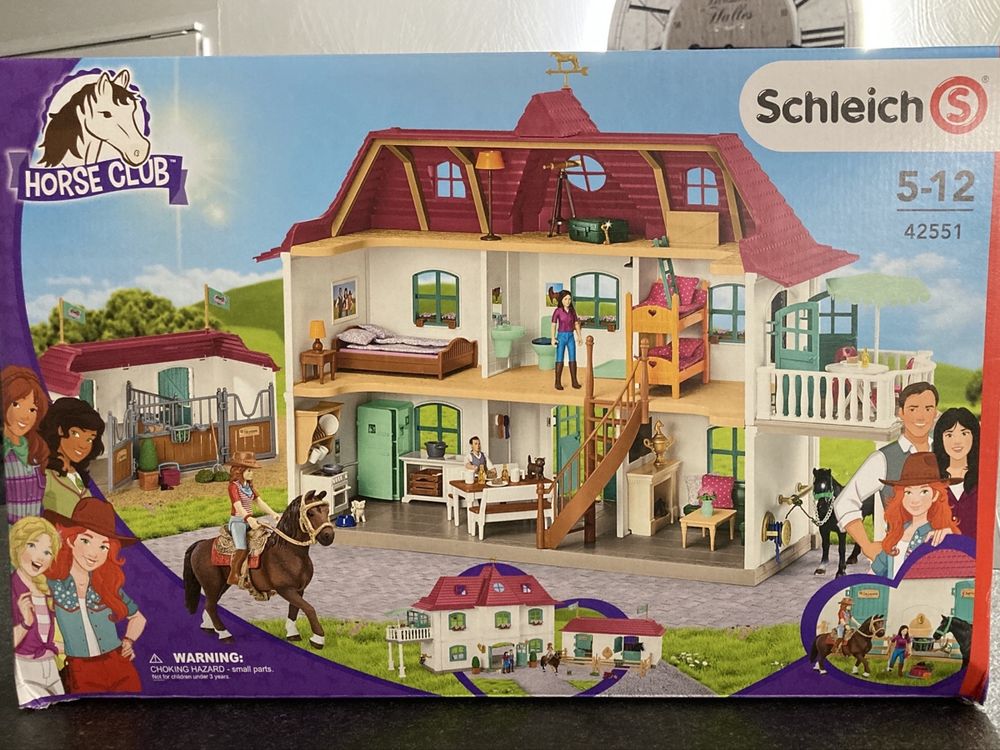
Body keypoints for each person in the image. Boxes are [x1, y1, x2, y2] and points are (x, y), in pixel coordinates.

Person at [43, 498, 145, 694]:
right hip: (80, 668)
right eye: (86, 540)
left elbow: (138, 618)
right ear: (71, 540)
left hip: (117, 662)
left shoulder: (106, 585)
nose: (94, 553)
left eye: (103, 546)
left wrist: (128, 640)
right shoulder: (52, 585)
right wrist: (57, 647)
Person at [833, 382, 940, 562]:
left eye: (928, 408)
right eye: (913, 409)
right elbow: (845, 502)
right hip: (900, 555)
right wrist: (867, 546)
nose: (921, 416)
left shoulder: (944, 453)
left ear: (935, 412)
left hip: (943, 554)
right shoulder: (884, 459)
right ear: (901, 413)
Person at [870, 453, 959, 579]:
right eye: (908, 492)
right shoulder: (898, 531)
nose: (915, 500)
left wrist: (952, 539)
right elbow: (874, 573)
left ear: (935, 495)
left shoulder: (937, 534)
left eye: (924, 491)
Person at [10, 516, 64, 704]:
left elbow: (46, 636)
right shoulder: (12, 587)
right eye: (32, 545)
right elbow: (9, 643)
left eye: (47, 552)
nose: (40, 557)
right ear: (18, 546)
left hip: (50, 666)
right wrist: (26, 623)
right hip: (26, 669)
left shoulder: (45, 588)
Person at [39, 397, 105, 517]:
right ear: (60, 430)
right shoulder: (46, 475)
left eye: (89, 439)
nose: (83, 445)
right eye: (76, 434)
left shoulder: (76, 472)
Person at [2, 366, 50, 522]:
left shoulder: (37, 450)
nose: (25, 416)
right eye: (17, 405)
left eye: (32, 409)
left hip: (35, 533)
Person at [227, 451, 281, 585]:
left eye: (252, 471)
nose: (252, 473)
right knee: (242, 547)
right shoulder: (233, 487)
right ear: (240, 471)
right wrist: (249, 518)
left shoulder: (249, 487)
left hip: (249, 520)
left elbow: (259, 502)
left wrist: (273, 513)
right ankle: (234, 574)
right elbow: (238, 506)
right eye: (249, 470)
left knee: (265, 539)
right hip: (238, 521)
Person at [932, 407, 980, 539]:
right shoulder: (931, 479)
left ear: (974, 436)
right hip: (939, 550)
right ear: (940, 439)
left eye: (964, 433)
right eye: (949, 435)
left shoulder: (984, 478)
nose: (957, 441)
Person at [550, 290, 583, 390]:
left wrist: (579, 336)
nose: (568, 301)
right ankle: (557, 382)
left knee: (573, 358)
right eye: (565, 299)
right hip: (561, 336)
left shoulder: (572, 311)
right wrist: (553, 338)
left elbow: (576, 324)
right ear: (561, 300)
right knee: (559, 359)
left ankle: (574, 381)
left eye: (569, 299)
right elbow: (553, 325)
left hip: (570, 336)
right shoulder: (558, 311)